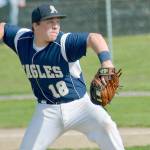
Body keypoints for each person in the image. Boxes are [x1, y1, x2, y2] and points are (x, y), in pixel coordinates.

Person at [0, 3, 125, 150]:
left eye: (57, 22)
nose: (55, 26)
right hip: (47, 110)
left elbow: (94, 38)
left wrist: (106, 61)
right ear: (35, 25)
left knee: (107, 126)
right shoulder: (21, 39)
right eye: (50, 22)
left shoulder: (64, 43)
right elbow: (2, 27)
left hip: (81, 106)